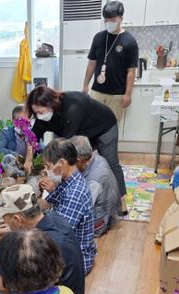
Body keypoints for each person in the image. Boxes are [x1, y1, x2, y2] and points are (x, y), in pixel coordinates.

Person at [26, 85, 127, 215]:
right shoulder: (43, 116)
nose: (39, 116)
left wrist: (53, 172)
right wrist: (29, 160)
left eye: (41, 112)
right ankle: (78, 193)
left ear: (51, 104)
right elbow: (32, 138)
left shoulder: (72, 108)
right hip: (81, 129)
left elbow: (66, 149)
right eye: (36, 113)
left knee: (111, 163)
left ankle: (122, 202)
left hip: (104, 126)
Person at [38, 139, 97, 274]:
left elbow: (58, 236)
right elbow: (45, 203)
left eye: (48, 166)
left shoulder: (75, 193)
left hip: (76, 261)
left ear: (62, 163)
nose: (47, 171)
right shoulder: (67, 181)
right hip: (66, 247)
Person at [83, 2, 138, 127]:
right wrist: (85, 85)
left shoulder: (130, 41)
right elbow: (92, 63)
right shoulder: (98, 38)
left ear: (121, 18)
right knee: (91, 124)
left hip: (117, 94)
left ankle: (108, 147)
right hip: (97, 91)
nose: (109, 23)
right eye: (106, 20)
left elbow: (131, 71)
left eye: (112, 19)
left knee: (111, 126)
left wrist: (128, 94)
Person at [70, 136, 121, 237]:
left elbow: (80, 209)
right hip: (109, 211)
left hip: (99, 221)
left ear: (78, 160)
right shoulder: (98, 157)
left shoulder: (94, 180)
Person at [0, 105, 33, 177]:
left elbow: (41, 148)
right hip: (12, 169)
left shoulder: (32, 133)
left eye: (26, 120)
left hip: (28, 169)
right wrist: (17, 156)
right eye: (20, 120)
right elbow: (0, 151)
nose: (23, 124)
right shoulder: (6, 132)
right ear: (13, 120)